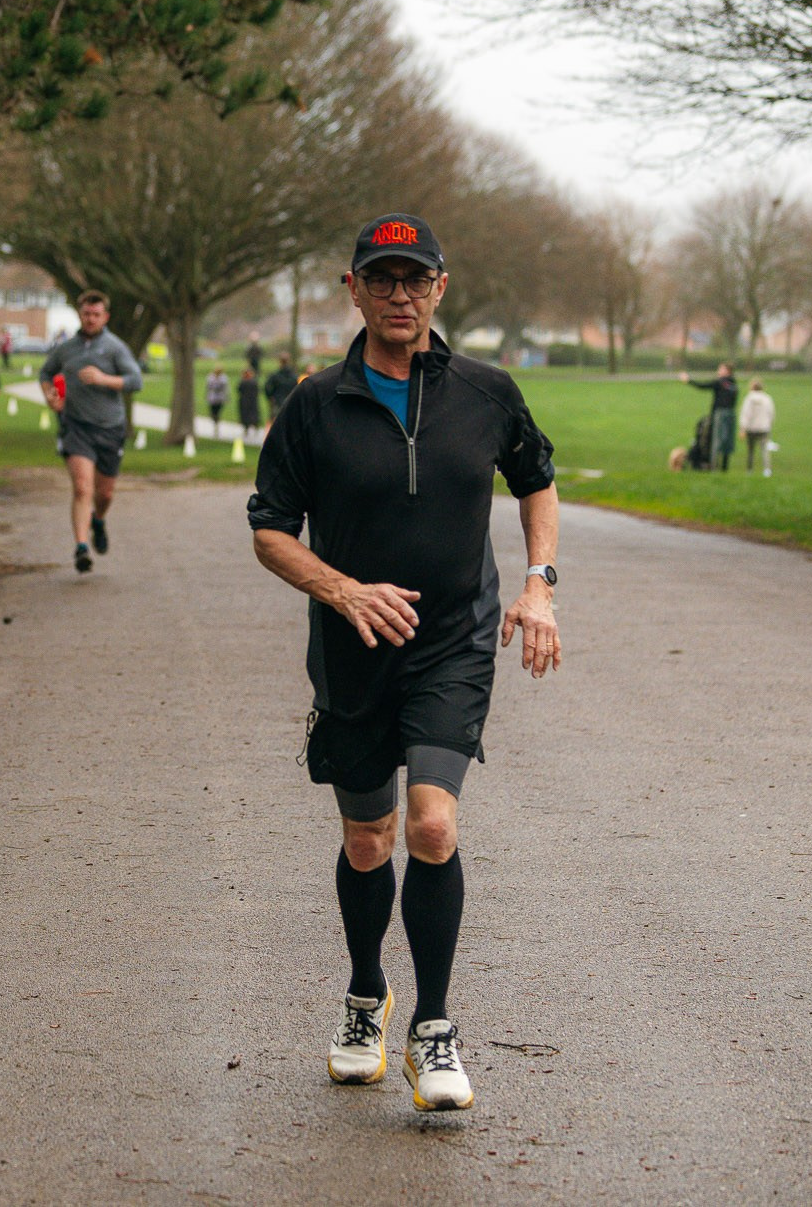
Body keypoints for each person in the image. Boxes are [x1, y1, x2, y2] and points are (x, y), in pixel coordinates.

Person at [247, 213, 560, 1114]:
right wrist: (341, 591)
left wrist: (539, 586)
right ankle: (362, 996)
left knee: (430, 827)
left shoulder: (487, 392)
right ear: (352, 288)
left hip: (453, 640)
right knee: (366, 839)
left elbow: (535, 481)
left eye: (413, 278)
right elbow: (270, 528)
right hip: (351, 650)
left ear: (439, 288)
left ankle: (434, 1027)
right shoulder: (314, 404)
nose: (398, 294)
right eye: (380, 279)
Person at [40, 290, 144, 574]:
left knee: (105, 493)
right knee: (82, 487)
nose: (90, 319)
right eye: (86, 314)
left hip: (110, 428)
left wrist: (103, 379)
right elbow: (45, 373)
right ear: (80, 314)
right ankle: (82, 548)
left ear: (105, 317)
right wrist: (51, 396)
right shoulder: (67, 348)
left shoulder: (115, 347)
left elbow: (136, 381)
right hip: (76, 427)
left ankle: (98, 520)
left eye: (96, 315)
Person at [680, 363, 739, 471]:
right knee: (726, 441)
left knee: (714, 440)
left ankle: (711, 464)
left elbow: (703, 386)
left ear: (727, 371)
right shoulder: (734, 384)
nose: (718, 371)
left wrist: (688, 380)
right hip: (730, 416)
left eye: (720, 369)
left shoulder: (720, 382)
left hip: (718, 416)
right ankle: (724, 467)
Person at [739, 378, 776, 472]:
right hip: (764, 428)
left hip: (751, 428)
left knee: (750, 450)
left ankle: (749, 469)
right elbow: (771, 413)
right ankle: (767, 469)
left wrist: (743, 428)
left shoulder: (749, 399)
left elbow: (746, 414)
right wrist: (769, 424)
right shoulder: (767, 398)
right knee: (764, 450)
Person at [266, 352, 299, 420]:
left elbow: (267, 387)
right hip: (290, 402)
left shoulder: (275, 376)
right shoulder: (294, 376)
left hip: (277, 402)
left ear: (280, 361)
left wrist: (270, 396)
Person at [237, 365, 262, 440]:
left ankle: (247, 428)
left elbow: (239, 390)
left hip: (245, 401)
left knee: (247, 415)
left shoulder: (243, 382)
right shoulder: (253, 382)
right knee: (253, 414)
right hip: (251, 401)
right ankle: (254, 427)